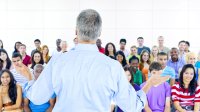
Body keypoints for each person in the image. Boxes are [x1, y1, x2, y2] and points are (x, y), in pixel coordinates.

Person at [26, 9, 169, 112]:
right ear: (99, 33)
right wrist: (149, 83)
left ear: (76, 31)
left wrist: (28, 78)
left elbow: (37, 98)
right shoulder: (113, 67)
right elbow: (131, 107)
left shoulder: (57, 62)